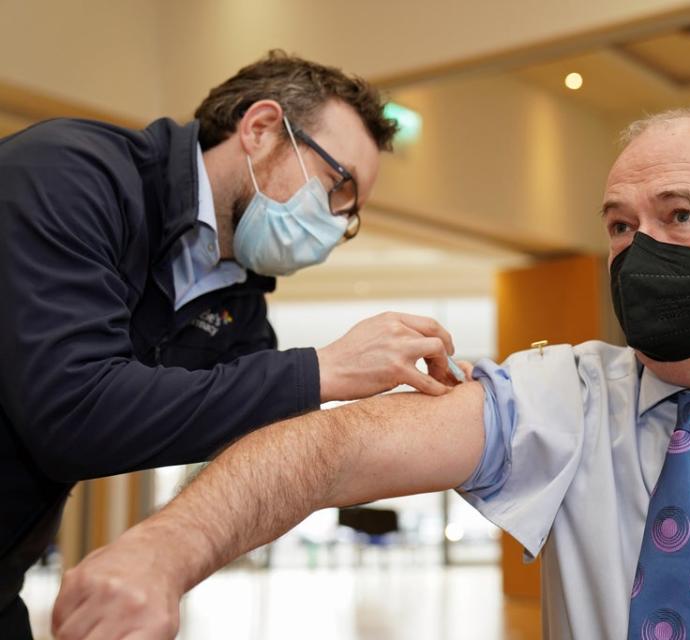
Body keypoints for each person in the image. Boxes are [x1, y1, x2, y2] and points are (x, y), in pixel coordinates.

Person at [51, 109, 690, 639]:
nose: (640, 251)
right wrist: (160, 550)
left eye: (680, 216)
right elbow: (335, 449)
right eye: (618, 225)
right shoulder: (572, 391)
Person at [0, 50, 464, 638]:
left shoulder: (239, 304)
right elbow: (72, 412)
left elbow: (269, 454)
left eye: (351, 215)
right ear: (261, 129)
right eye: (337, 186)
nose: (337, 224)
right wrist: (322, 367)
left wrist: (420, 415)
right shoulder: (71, 177)